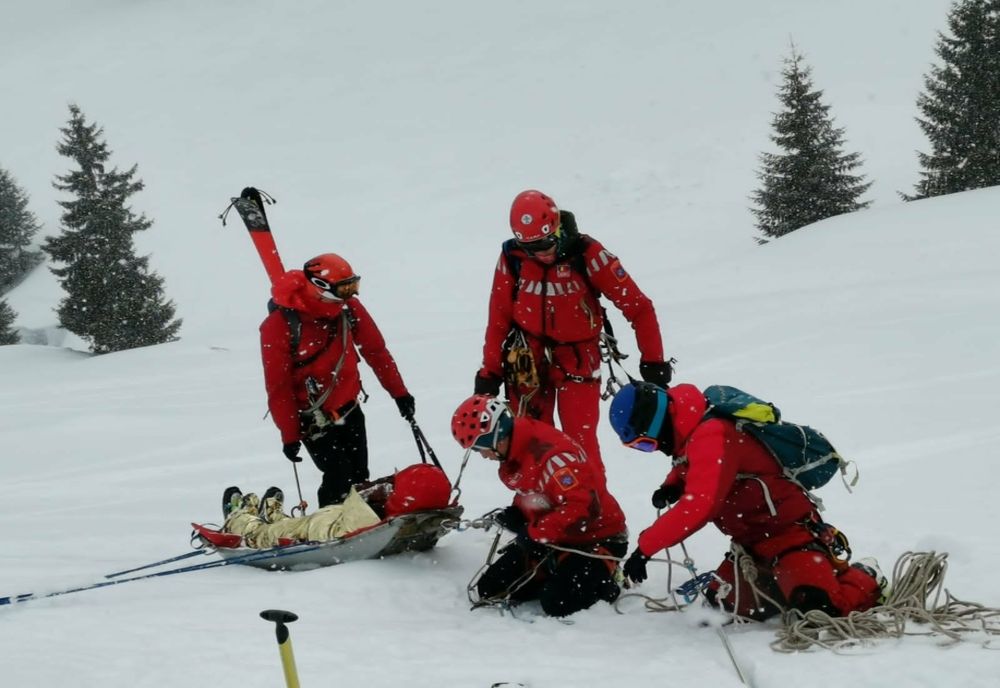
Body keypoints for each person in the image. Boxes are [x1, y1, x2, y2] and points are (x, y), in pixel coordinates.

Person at [608, 381, 883, 620]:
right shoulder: (691, 430)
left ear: (657, 421)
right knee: (722, 608)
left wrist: (645, 549)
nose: (654, 449)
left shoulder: (712, 433)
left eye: (646, 443)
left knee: (818, 610)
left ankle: (868, 576)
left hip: (790, 536)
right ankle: (790, 583)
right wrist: (673, 485)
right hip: (752, 547)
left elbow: (700, 505)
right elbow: (691, 463)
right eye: (641, 447)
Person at [474, 189, 670, 483]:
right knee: (528, 445)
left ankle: (594, 505)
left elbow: (639, 308)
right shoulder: (512, 257)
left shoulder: (588, 254)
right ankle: (537, 505)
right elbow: (498, 318)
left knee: (579, 444)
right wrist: (489, 373)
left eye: (545, 244)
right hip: (526, 360)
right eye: (530, 247)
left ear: (556, 228)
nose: (539, 253)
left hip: (578, 359)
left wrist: (653, 362)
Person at [450, 394, 629, 617]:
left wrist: (537, 533)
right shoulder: (517, 450)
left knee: (557, 603)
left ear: (496, 438)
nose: (483, 455)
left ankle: (607, 578)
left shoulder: (556, 458)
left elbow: (583, 508)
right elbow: (537, 490)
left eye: (479, 448)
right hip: (555, 538)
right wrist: (520, 512)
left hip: (597, 537)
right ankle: (559, 570)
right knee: (490, 588)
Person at [260, 253, 416, 507]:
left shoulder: (348, 309)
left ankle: (358, 522)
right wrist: (289, 434)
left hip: (350, 409)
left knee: (358, 477)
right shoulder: (279, 325)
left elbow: (376, 351)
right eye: (344, 288)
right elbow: (279, 386)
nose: (350, 294)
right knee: (338, 476)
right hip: (313, 420)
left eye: (353, 286)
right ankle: (330, 524)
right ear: (320, 287)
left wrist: (400, 393)